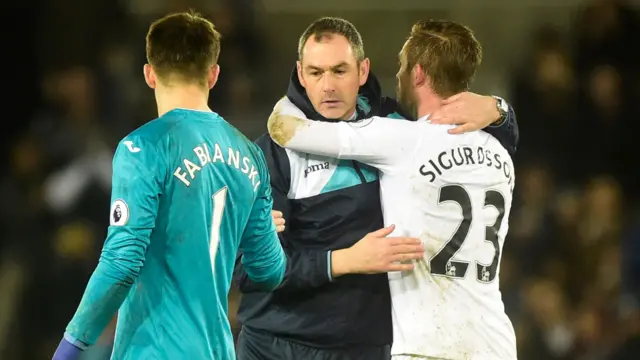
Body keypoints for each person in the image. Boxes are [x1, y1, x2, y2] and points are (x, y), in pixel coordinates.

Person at [234, 17, 519, 360]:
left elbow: (288, 126)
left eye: (340, 71)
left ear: (363, 70)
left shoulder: (397, 130)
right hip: (276, 344)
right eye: (315, 72)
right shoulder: (270, 155)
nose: (328, 86)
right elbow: (249, 271)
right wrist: (341, 261)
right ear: (299, 73)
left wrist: (498, 111)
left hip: (374, 348)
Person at [52, 11, 286, 360]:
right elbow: (269, 272)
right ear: (214, 73)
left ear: (149, 73)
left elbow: (122, 262)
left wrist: (71, 347)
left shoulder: (143, 147)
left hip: (155, 350)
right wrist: (257, 231)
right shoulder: (250, 155)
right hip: (217, 350)